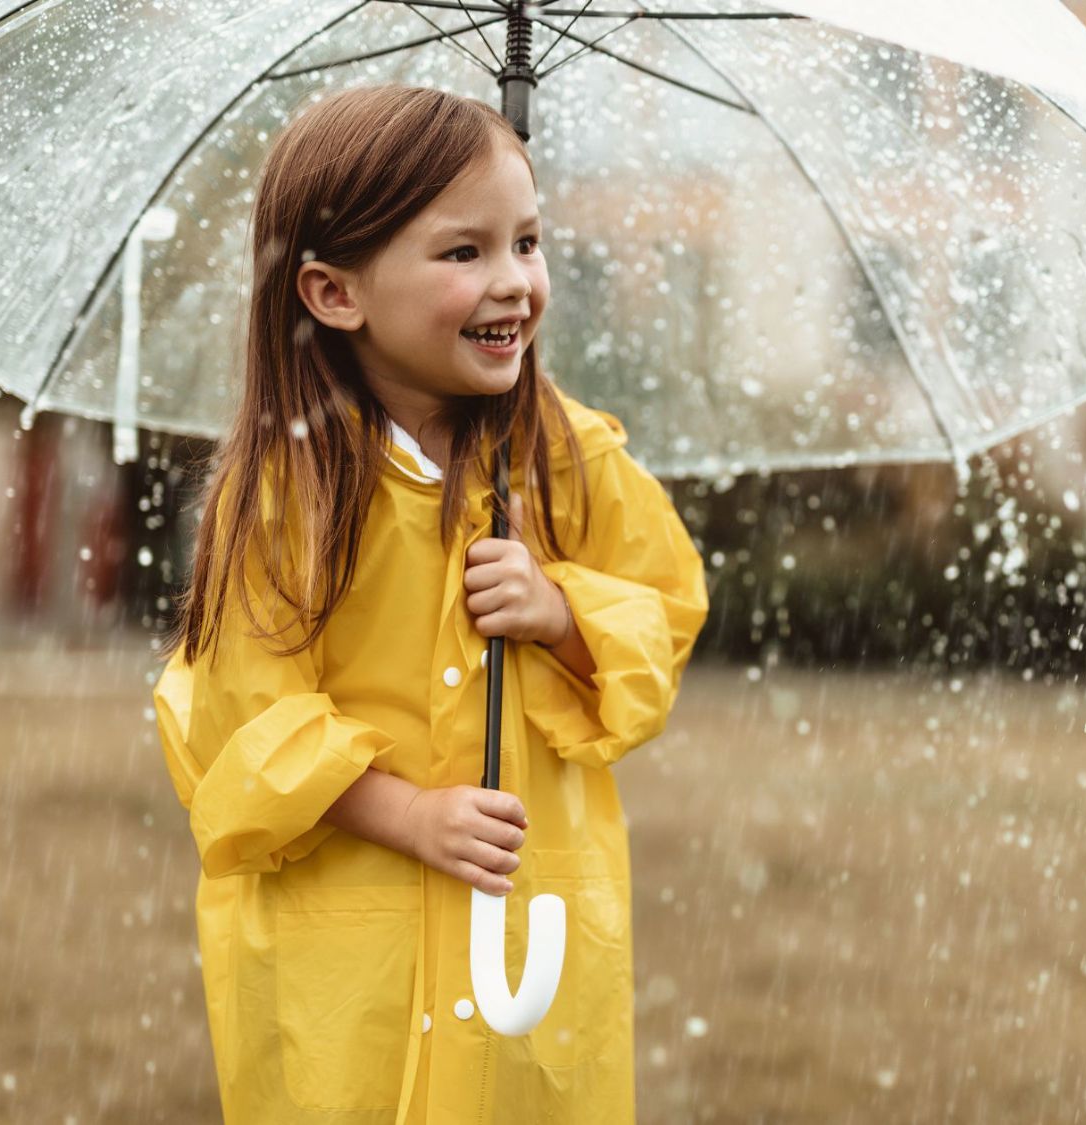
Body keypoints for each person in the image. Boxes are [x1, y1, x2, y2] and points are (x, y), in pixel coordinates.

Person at [151, 84, 710, 1125]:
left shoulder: (566, 457)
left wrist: (560, 611)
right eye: (464, 254)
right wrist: (407, 814)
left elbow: (664, 609)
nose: (515, 284)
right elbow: (241, 720)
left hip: (525, 933)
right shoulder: (285, 492)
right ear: (332, 292)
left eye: (527, 242)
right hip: (346, 952)